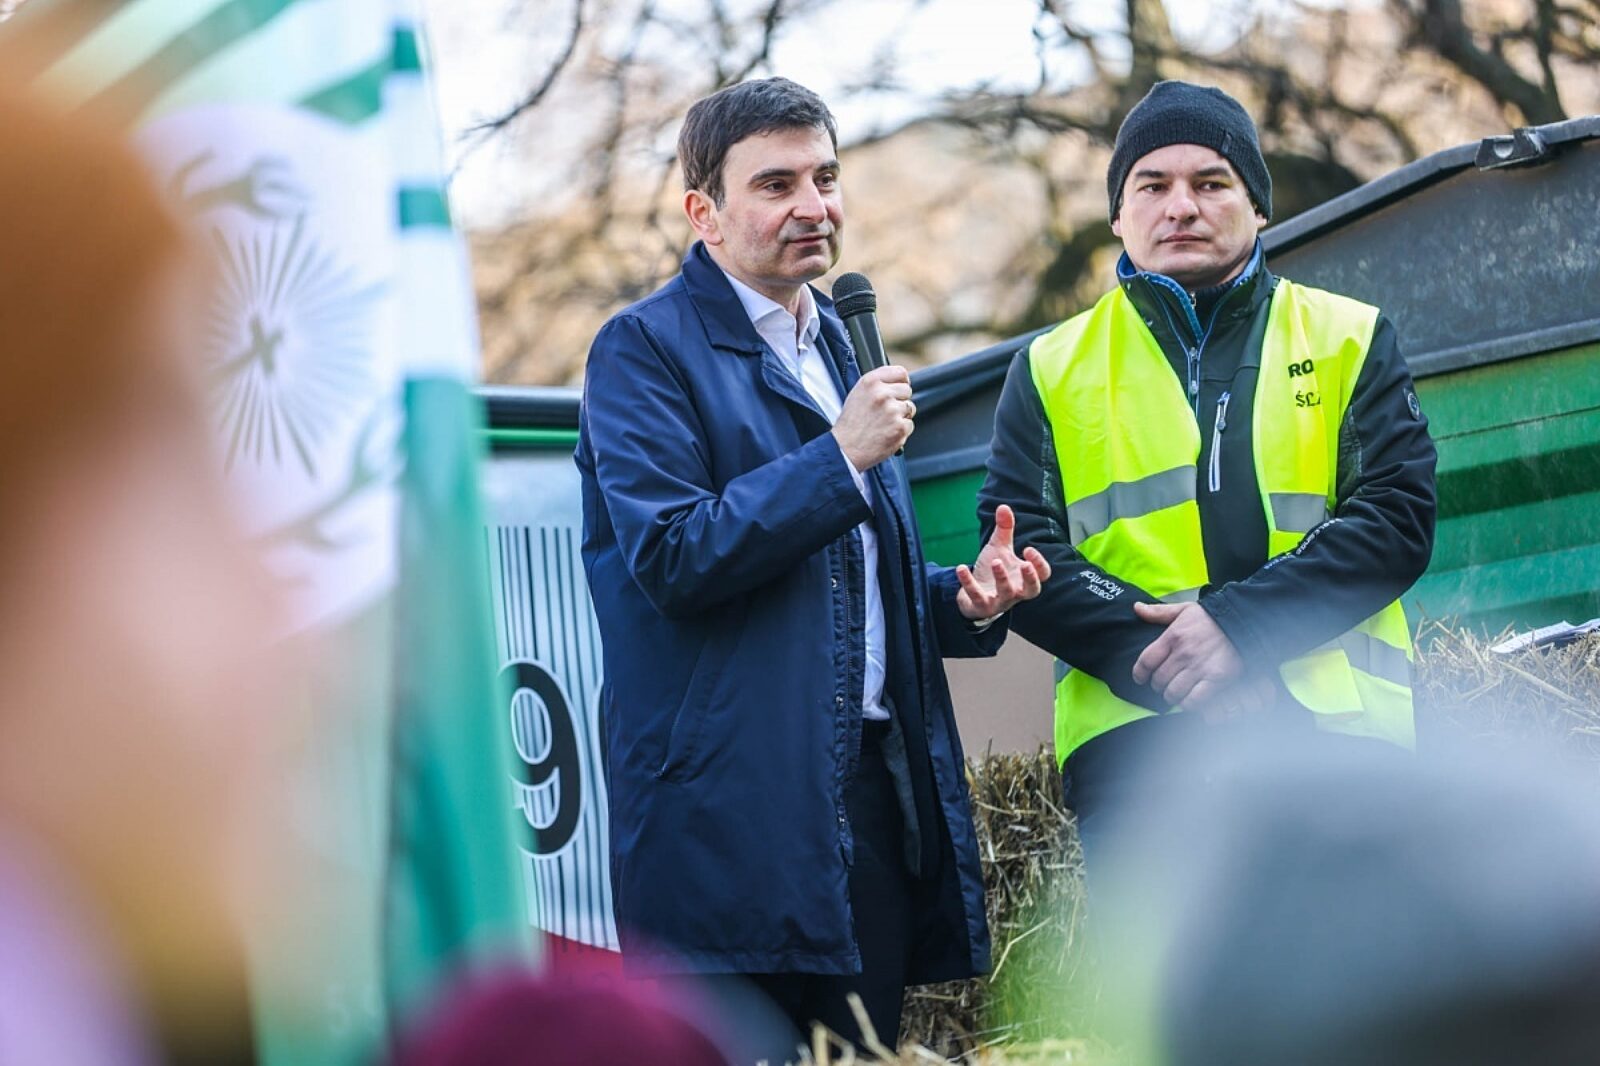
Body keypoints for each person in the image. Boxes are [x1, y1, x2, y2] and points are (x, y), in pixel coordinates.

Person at [576, 77, 1050, 1055]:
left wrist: (959, 602)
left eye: (825, 178)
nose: (813, 206)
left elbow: (838, 585)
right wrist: (839, 456)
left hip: (865, 805)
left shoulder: (837, 341)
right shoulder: (640, 351)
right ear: (702, 212)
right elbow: (672, 555)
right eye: (776, 184)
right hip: (726, 819)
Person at [977, 80, 1437, 881]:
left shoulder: (1350, 336)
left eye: (1211, 182)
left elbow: (1396, 517)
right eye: (1151, 186)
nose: (1181, 207)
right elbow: (1022, 553)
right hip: (1138, 762)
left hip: (1337, 744)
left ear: (1257, 204)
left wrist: (1239, 628)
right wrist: (1182, 665)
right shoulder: (1049, 368)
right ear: (1118, 215)